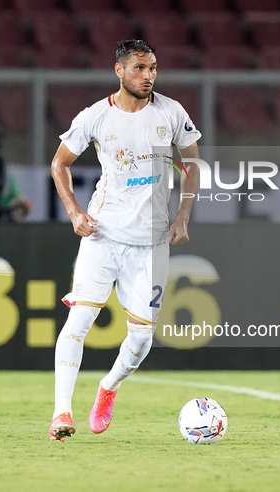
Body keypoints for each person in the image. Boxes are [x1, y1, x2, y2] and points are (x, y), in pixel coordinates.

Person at [49, 39, 201, 442]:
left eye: (153, 67)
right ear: (119, 70)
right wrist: (74, 212)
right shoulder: (95, 116)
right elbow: (60, 163)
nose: (148, 75)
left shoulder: (171, 112)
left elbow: (192, 162)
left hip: (151, 243)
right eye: (139, 68)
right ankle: (61, 412)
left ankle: (108, 388)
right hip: (103, 235)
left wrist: (184, 214)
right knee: (79, 320)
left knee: (141, 338)